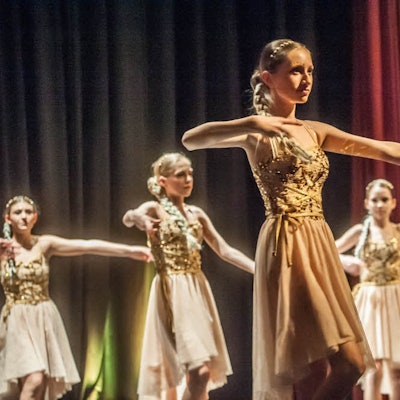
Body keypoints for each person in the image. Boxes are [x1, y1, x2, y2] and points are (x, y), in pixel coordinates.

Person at [181, 38, 400, 400]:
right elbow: (191, 139)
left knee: (336, 366)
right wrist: (254, 122)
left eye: (310, 70)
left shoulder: (315, 131)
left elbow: (381, 149)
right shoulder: (254, 131)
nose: (306, 79)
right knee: (340, 364)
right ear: (268, 77)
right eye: (296, 70)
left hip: (318, 242)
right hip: (287, 243)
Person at [122, 152, 254, 400]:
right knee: (198, 372)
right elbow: (129, 217)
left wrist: (259, 270)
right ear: (163, 181)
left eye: (190, 174)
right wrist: (142, 219)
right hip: (171, 292)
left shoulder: (196, 214)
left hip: (196, 290)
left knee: (201, 376)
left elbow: (225, 250)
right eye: (181, 175)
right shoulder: (155, 209)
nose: (188, 179)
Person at [0, 195, 153, 400]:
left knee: (41, 384)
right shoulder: (4, 249)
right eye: (18, 212)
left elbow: (87, 245)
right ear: (8, 218)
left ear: (35, 218)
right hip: (17, 320)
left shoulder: (44, 244)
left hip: (43, 316)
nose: (24, 216)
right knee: (34, 380)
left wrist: (130, 250)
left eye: (28, 212)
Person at [336, 179, 400, 400]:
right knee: (374, 368)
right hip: (371, 302)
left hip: (395, 300)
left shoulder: (398, 232)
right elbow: (327, 251)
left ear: (393, 203)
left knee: (397, 370)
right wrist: (346, 261)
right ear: (367, 203)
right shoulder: (359, 232)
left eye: (384, 200)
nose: (380, 205)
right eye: (375, 200)